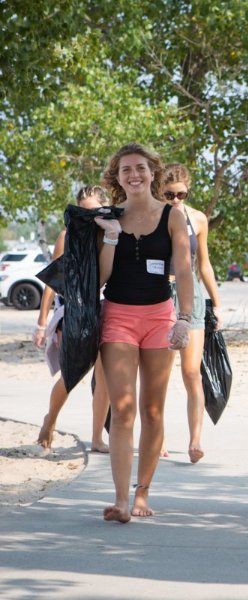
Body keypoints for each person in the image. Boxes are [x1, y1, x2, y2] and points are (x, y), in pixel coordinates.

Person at [94, 143, 193, 523]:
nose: (133, 175)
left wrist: (184, 318)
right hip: (117, 315)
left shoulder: (172, 216)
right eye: (125, 170)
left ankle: (142, 492)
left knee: (153, 409)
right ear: (117, 178)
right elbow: (101, 278)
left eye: (140, 168)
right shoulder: (109, 216)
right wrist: (112, 235)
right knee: (122, 408)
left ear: (153, 172)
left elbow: (183, 270)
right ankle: (120, 499)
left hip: (159, 317)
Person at [33, 185, 111, 453]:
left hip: (106, 309)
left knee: (105, 377)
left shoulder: (113, 234)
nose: (87, 216)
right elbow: (52, 282)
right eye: (83, 210)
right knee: (72, 373)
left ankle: (98, 438)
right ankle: (50, 419)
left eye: (94, 211)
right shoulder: (67, 236)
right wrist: (42, 323)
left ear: (105, 206)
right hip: (72, 312)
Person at [161, 162, 222, 463]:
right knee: (158, 373)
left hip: (192, 295)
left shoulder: (198, 218)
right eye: (169, 194)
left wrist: (216, 302)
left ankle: (195, 440)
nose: (175, 200)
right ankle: (156, 436)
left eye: (181, 194)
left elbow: (205, 264)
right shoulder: (155, 216)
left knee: (191, 373)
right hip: (159, 293)